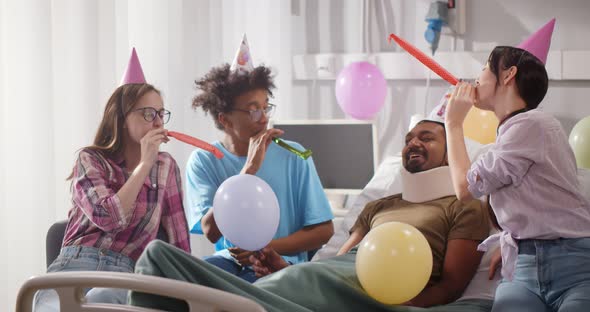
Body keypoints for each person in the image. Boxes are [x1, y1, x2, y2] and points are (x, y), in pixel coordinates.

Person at [128, 119, 492, 312]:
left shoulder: (464, 204)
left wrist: (393, 304)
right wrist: (283, 265)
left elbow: (450, 287)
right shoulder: (381, 205)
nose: (413, 142)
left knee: (166, 271)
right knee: (157, 257)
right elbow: (335, 263)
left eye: (427, 138)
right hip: (329, 280)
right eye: (409, 138)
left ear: (452, 153)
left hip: (379, 293)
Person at [444, 19, 590, 312]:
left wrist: (453, 123)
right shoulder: (509, 135)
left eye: (485, 67)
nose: (477, 77)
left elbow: (464, 188)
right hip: (523, 268)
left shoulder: (534, 123)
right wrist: (515, 243)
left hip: (575, 266)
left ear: (508, 74)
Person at [33, 48, 190, 311]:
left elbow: (179, 244)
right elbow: (109, 218)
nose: (158, 122)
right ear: (121, 118)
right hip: (74, 268)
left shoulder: (166, 168)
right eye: (148, 113)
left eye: (161, 114)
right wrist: (144, 164)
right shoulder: (89, 159)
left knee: (103, 302)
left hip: (125, 276)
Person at [185, 34, 334, 282]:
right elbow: (211, 232)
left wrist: (266, 248)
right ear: (225, 119)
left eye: (266, 107)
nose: (264, 118)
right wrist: (248, 170)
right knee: (183, 277)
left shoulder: (294, 155)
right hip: (226, 263)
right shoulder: (204, 160)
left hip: (280, 267)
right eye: (253, 110)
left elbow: (324, 231)